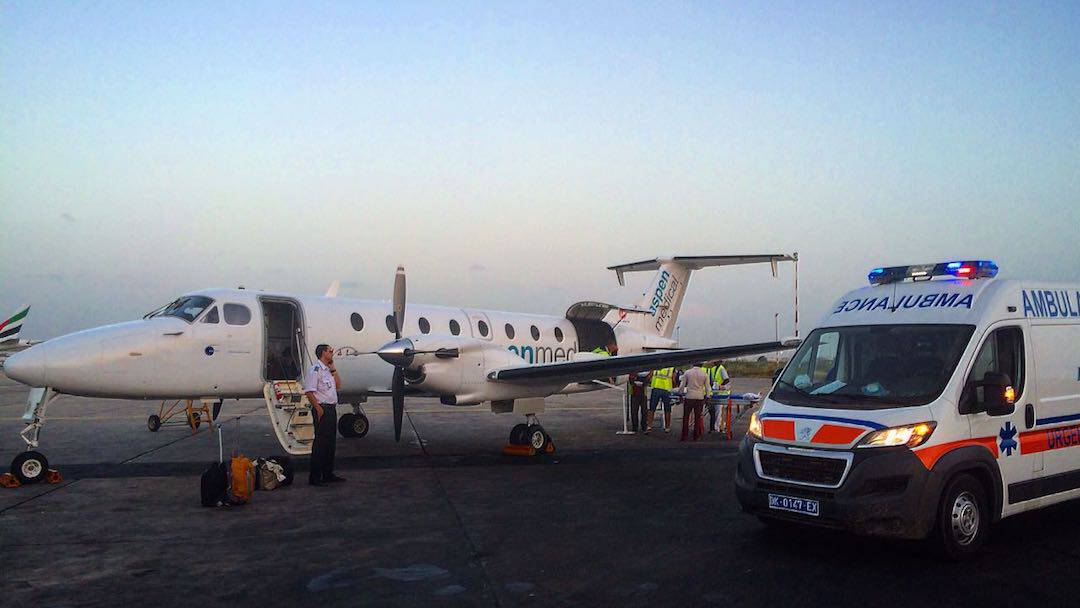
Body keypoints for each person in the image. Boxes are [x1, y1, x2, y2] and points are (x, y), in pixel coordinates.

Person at [303, 344, 345, 486]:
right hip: (322, 409)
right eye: (329, 350)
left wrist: (333, 369)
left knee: (330, 443)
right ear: (322, 353)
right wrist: (318, 408)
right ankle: (315, 477)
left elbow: (339, 385)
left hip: (331, 408)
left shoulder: (327, 370)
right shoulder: (315, 370)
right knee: (320, 444)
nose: (332, 352)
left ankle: (328, 474)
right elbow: (309, 391)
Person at [677, 364, 709, 441]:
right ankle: (696, 435)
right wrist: (707, 397)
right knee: (697, 417)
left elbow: (682, 386)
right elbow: (708, 387)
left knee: (686, 417)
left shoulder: (687, 372)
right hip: (699, 397)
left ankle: (684, 435)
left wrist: (680, 394)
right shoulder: (704, 374)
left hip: (689, 396)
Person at [647, 366, 676, 433]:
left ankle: (649, 426)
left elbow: (650, 376)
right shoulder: (671, 368)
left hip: (656, 388)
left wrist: (645, 382)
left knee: (652, 408)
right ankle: (667, 427)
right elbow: (674, 379)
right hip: (667, 389)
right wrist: (674, 387)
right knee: (667, 409)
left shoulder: (656, 365)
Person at [706, 360, 732, 433]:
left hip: (722, 393)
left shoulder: (722, 369)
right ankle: (715, 426)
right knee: (715, 411)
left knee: (718, 411)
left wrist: (720, 385)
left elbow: (726, 380)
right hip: (715, 392)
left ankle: (717, 427)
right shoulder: (713, 369)